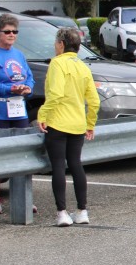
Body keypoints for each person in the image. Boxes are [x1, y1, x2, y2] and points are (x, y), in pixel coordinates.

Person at [37, 28, 99, 227]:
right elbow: (94, 101)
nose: (55, 46)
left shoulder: (57, 63)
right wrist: (90, 124)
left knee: (58, 166)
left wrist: (42, 114)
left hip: (57, 122)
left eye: (56, 43)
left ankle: (62, 213)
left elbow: (55, 94)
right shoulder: (83, 67)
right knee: (76, 165)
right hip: (78, 124)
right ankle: (82, 211)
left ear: (61, 44)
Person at [0, 13, 35, 215]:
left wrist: (27, 88)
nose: (12, 34)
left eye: (15, 31)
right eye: (7, 32)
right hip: (0, 111)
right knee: (0, 155)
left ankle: (25, 197)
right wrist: (9, 89)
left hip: (19, 112)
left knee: (24, 153)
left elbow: (29, 78)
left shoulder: (19, 55)